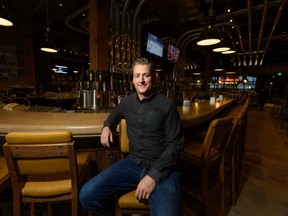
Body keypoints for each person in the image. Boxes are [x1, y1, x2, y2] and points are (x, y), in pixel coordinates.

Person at [79, 57, 185, 216]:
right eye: (137, 76)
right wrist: (107, 126)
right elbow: (114, 115)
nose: (141, 80)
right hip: (133, 164)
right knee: (87, 195)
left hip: (162, 168)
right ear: (133, 79)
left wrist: (152, 177)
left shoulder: (167, 105)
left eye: (146, 75)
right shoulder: (127, 102)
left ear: (153, 78)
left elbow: (176, 145)